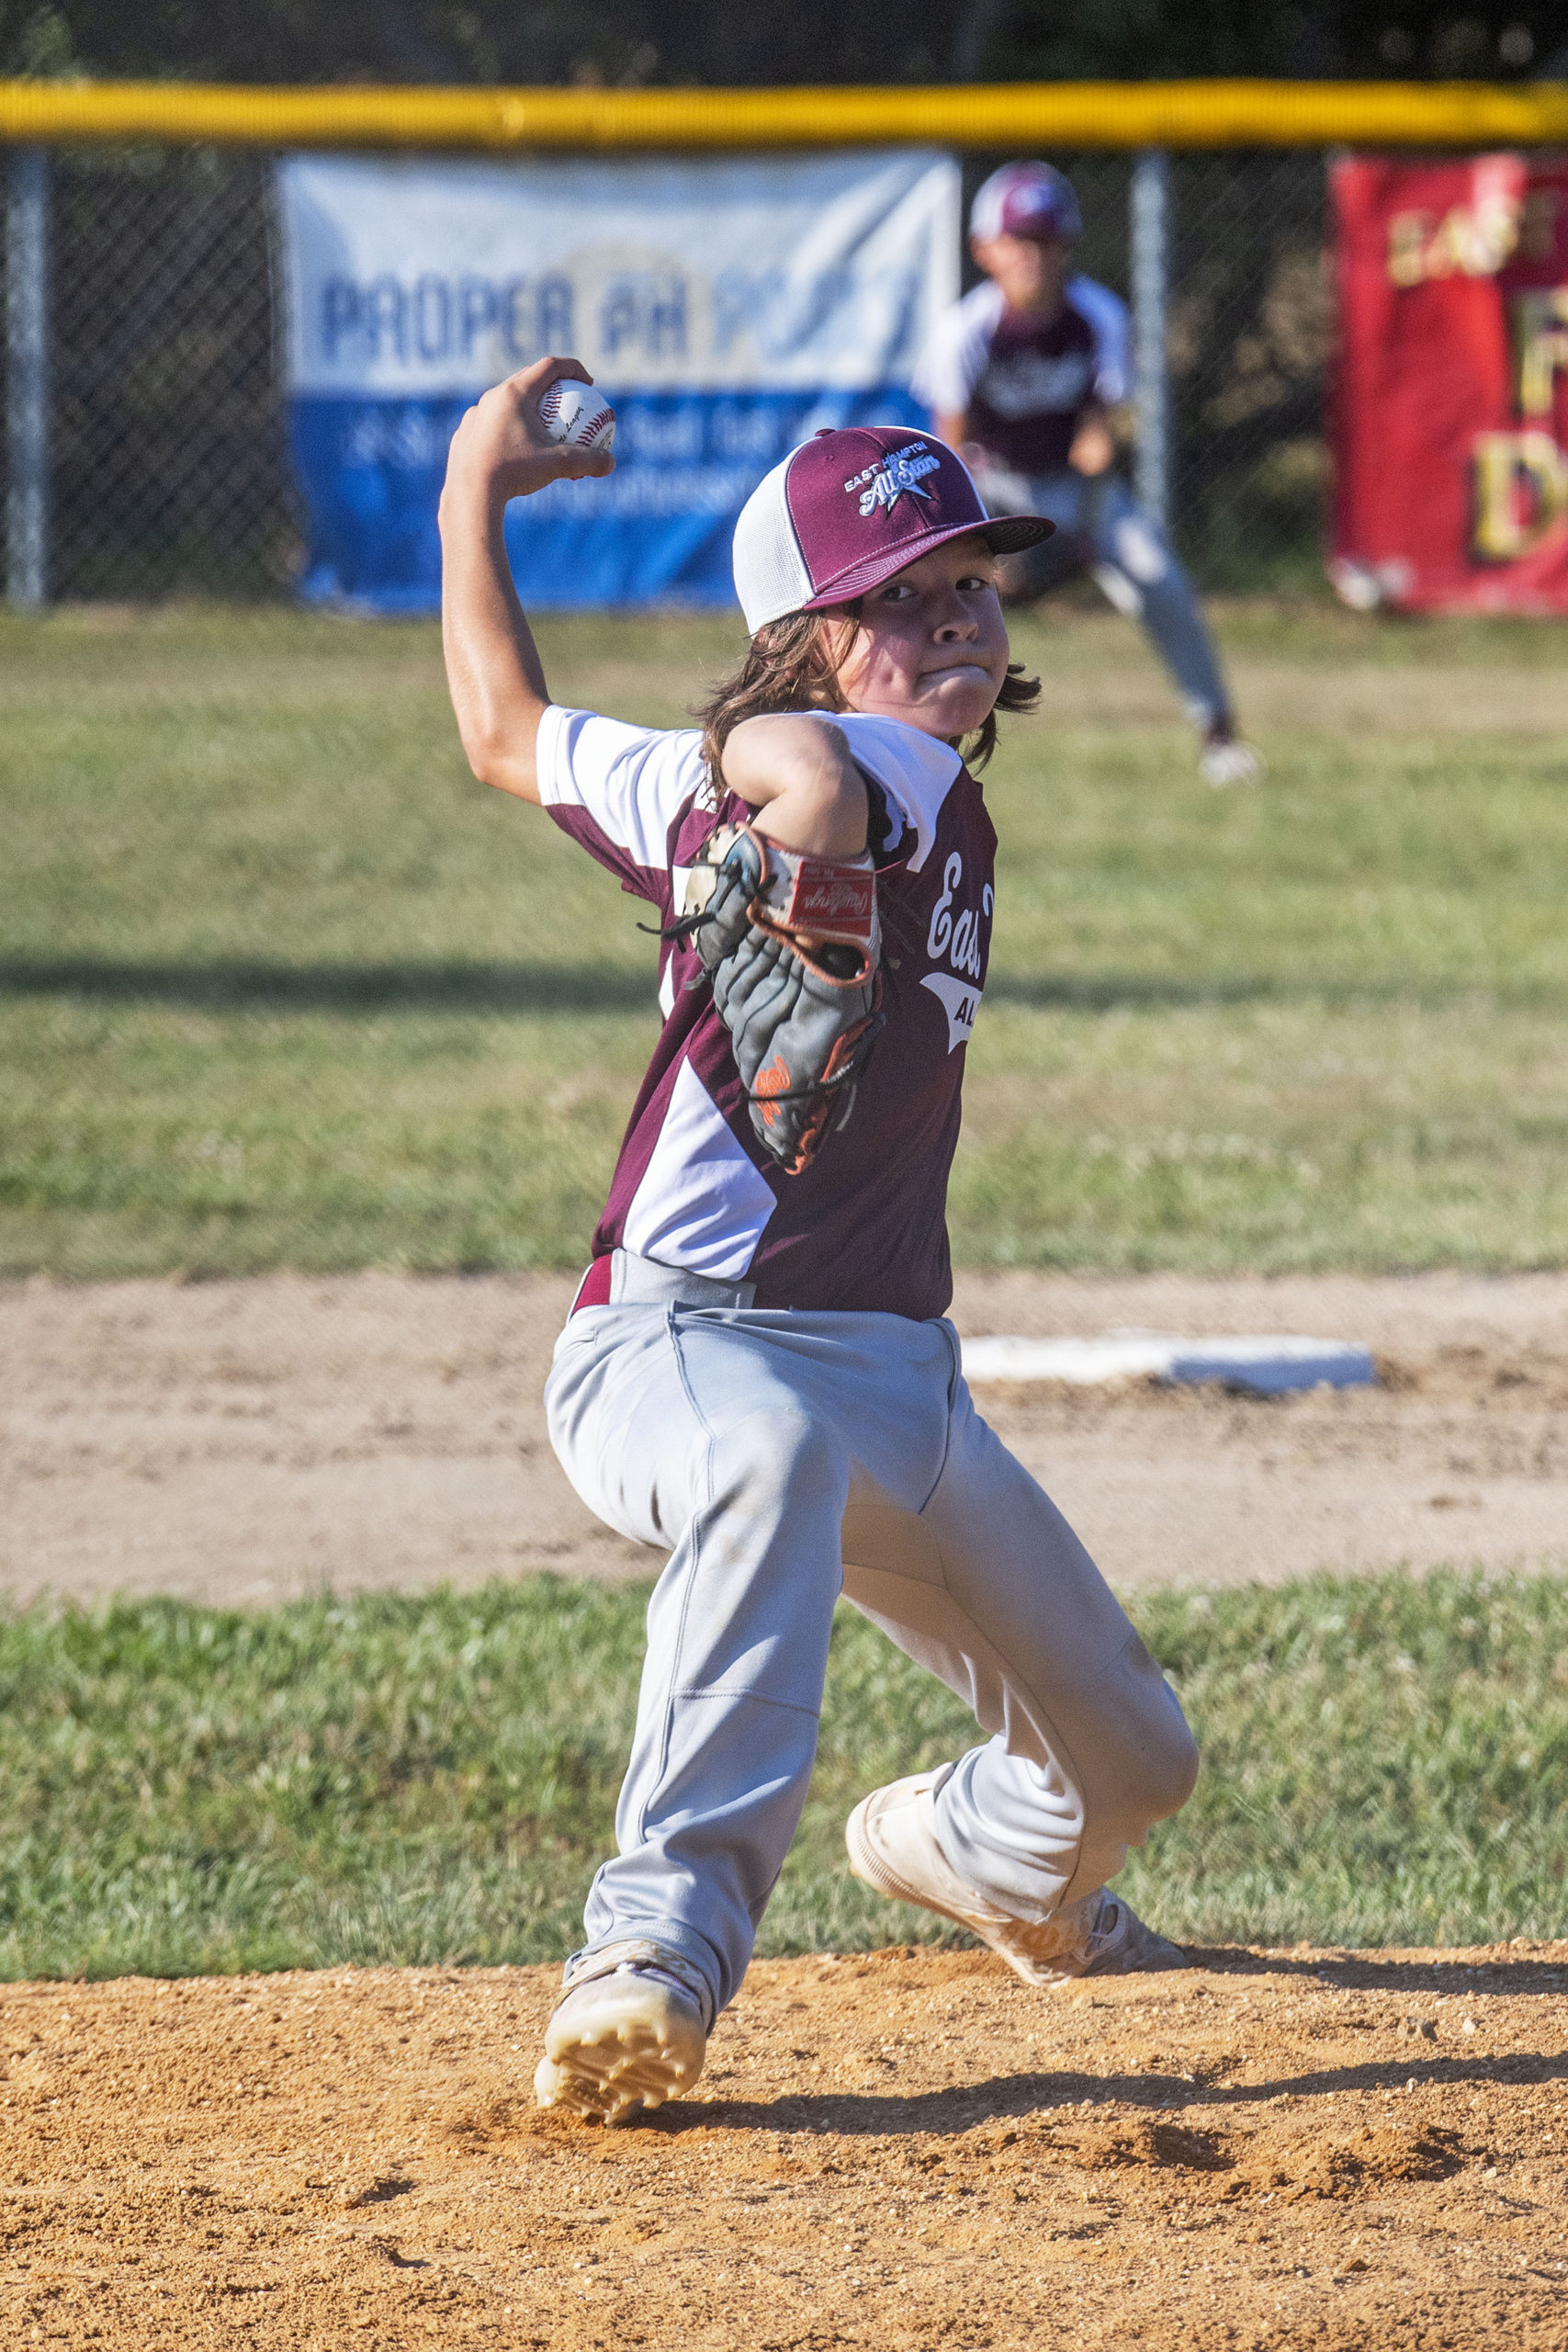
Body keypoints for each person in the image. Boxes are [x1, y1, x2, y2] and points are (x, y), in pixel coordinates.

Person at [438, 357, 1201, 2124]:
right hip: (673, 1345)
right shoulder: (834, 763)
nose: (946, 618)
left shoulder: (851, 779)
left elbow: (523, 733)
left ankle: (977, 1859)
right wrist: (477, 481)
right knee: (763, 1458)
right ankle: (650, 1959)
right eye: (891, 602)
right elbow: (567, 732)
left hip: (896, 1383)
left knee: (1133, 1763)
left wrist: (487, 496)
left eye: (962, 583)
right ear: (801, 642)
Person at [913, 159, 1262, 788]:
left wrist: (1078, 528)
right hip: (986, 487)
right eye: (1020, 240)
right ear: (984, 249)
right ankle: (906, 739)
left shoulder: (1096, 315)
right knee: (923, 596)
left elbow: (1097, 438)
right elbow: (948, 453)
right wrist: (983, 547)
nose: (1034, 256)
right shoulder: (966, 329)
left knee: (1159, 580)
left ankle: (1217, 734)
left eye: (1047, 241)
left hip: (1074, 490)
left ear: (1067, 246)